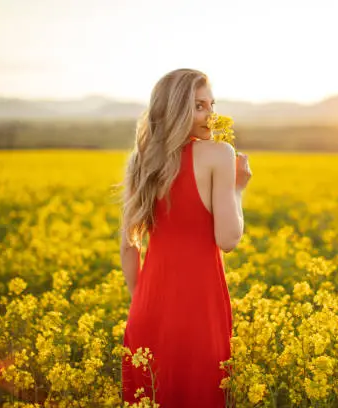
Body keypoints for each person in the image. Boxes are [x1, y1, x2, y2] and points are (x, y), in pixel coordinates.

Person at [119, 68, 252, 407]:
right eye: (199, 106)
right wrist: (238, 188)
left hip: (147, 308)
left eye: (211, 104)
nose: (211, 115)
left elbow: (127, 246)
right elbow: (228, 239)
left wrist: (143, 303)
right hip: (200, 308)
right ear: (175, 110)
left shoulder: (141, 160)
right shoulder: (219, 154)